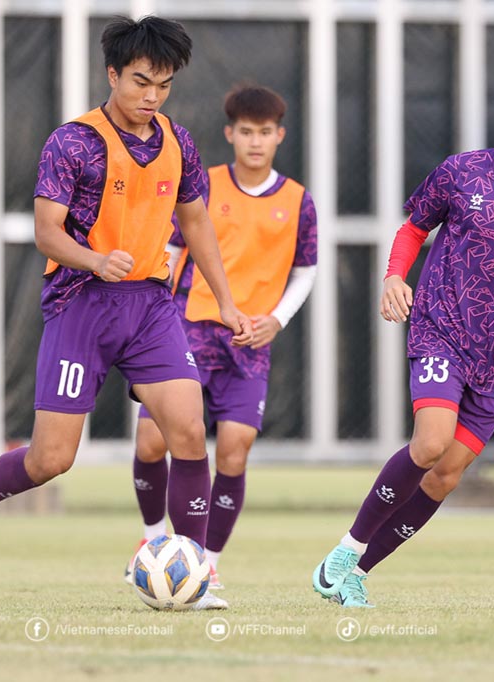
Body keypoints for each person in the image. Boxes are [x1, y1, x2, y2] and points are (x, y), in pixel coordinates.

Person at [0, 16, 253, 579]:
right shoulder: (74, 142)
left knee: (187, 431)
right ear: (112, 74)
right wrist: (97, 260)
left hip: (151, 306)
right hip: (81, 304)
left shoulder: (179, 142)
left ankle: (196, 572)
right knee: (51, 459)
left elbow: (198, 224)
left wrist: (225, 303)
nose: (152, 96)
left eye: (164, 84)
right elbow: (47, 232)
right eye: (139, 81)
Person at [311, 64, 494, 608]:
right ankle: (346, 548)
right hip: (441, 325)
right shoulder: (461, 172)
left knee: (445, 476)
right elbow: (414, 227)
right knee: (431, 442)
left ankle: (350, 573)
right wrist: (394, 276)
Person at [124, 84, 318, 610]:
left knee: (234, 449)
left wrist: (276, 320)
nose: (256, 143)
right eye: (246, 133)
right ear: (231, 134)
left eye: (266, 133)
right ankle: (151, 537)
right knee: (151, 444)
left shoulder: (298, 200)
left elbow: (306, 270)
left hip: (250, 342)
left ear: (280, 136)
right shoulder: (202, 186)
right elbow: (168, 249)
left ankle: (205, 567)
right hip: (186, 331)